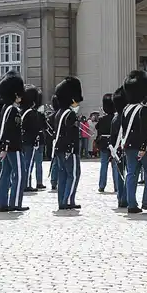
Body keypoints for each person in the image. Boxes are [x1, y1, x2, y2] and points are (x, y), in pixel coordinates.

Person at [122, 69, 147, 213]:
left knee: (131, 173)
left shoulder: (125, 109)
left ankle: (131, 203)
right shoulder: (143, 110)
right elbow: (145, 131)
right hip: (143, 147)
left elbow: (124, 128)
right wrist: (144, 147)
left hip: (129, 145)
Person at [50, 76, 84, 211]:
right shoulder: (69, 114)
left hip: (59, 148)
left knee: (63, 175)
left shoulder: (59, 112)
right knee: (74, 174)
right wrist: (71, 149)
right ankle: (69, 200)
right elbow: (71, 134)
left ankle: (62, 201)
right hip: (69, 149)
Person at [0, 72, 26, 213]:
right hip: (14, 147)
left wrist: (3, 147)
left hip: (8, 147)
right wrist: (6, 146)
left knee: (5, 174)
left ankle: (2, 203)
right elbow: (9, 130)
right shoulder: (13, 109)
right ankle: (15, 202)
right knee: (20, 174)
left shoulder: (6, 108)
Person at [21, 85, 46, 196]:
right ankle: (26, 184)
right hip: (30, 141)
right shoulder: (31, 113)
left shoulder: (23, 111)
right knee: (28, 163)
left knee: (25, 163)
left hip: (24, 140)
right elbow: (35, 128)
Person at [108, 86, 129, 207]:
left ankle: (120, 197)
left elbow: (112, 136)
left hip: (117, 149)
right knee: (130, 174)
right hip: (125, 148)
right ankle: (125, 197)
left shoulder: (115, 118)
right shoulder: (127, 116)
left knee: (121, 175)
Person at [96, 93, 114, 192]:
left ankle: (101, 185)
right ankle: (117, 185)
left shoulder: (102, 119)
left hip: (104, 143)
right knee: (115, 166)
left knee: (104, 165)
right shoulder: (115, 118)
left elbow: (97, 128)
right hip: (114, 143)